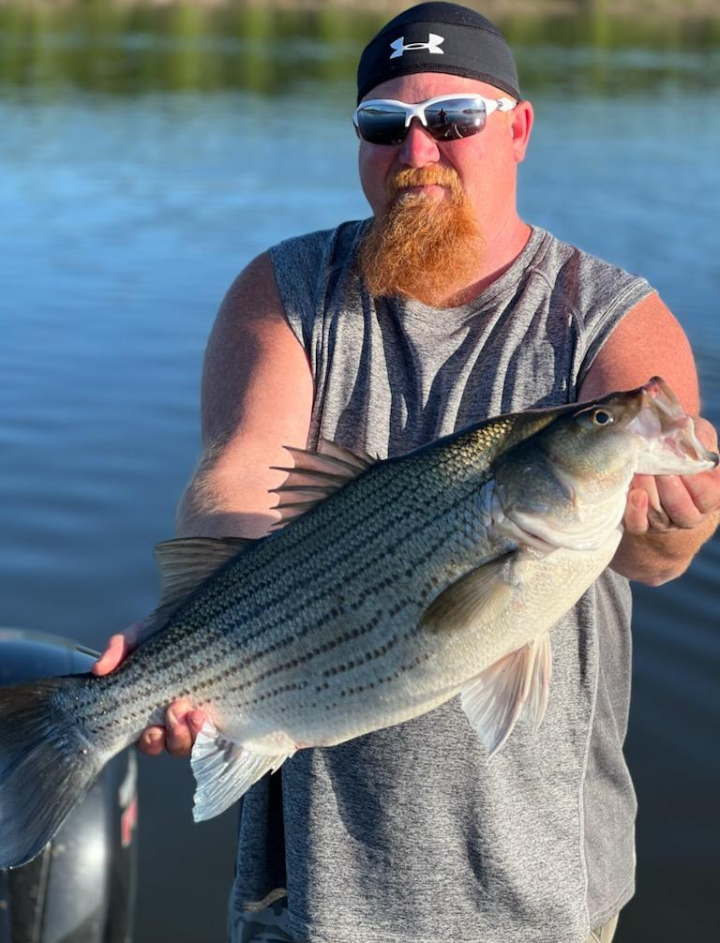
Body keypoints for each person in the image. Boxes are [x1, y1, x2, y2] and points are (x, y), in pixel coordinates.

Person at [94, 4, 720, 942]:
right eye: (385, 125)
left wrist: (676, 520)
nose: (417, 150)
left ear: (518, 129)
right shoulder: (285, 291)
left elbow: (656, 548)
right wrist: (197, 634)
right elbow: (240, 479)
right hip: (308, 898)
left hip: (544, 896)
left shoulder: (608, 316)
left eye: (454, 120)